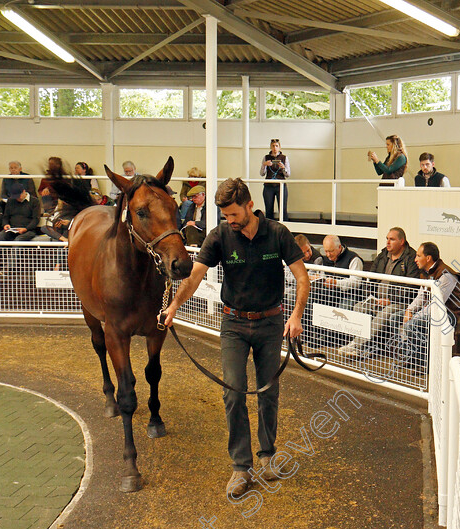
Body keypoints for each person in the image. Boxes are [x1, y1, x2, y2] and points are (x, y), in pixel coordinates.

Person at [161, 178, 309, 498]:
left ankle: (267, 455)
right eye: (225, 216)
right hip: (233, 324)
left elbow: (302, 277)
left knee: (268, 392)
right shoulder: (220, 236)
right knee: (233, 392)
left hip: (271, 324)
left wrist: (296, 316)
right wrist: (174, 305)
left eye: (233, 215)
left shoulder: (278, 233)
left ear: (249, 205)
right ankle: (241, 467)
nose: (230, 221)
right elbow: (195, 277)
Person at [338, 227, 420, 359]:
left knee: (384, 313)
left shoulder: (410, 258)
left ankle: (356, 346)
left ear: (402, 241)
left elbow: (411, 286)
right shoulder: (383, 255)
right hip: (377, 299)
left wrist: (390, 300)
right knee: (358, 307)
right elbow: (371, 277)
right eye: (387, 239)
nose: (388, 242)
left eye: (392, 239)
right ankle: (367, 347)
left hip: (399, 302)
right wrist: (371, 297)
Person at [397, 242, 460, 371]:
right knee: (395, 318)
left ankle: (424, 363)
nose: (415, 259)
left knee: (413, 324)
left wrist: (413, 316)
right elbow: (421, 297)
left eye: (418, 256)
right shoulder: (426, 272)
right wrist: (409, 311)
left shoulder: (446, 275)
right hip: (429, 311)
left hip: (448, 315)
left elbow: (437, 305)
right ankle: (409, 357)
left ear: (428, 258)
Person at [260, 139, 290, 221]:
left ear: (279, 147)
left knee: (283, 209)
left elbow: (288, 174)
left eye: (276, 146)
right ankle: (269, 230)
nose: (275, 148)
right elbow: (262, 174)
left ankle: (285, 228)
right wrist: (264, 165)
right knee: (268, 209)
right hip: (268, 186)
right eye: (273, 146)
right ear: (270, 147)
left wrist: (283, 168)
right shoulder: (266, 157)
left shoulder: (284, 158)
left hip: (281, 186)